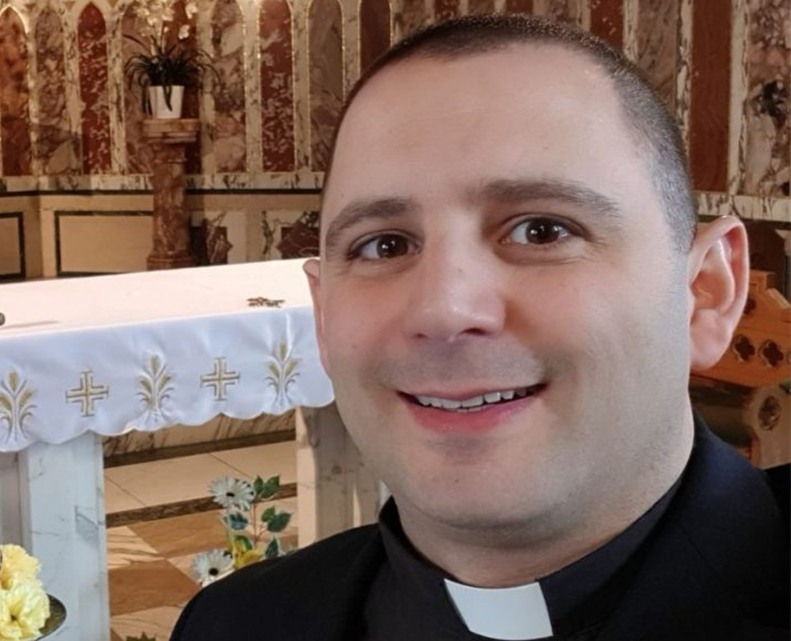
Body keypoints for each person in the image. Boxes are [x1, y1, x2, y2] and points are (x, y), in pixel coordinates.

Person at [172, 13, 789, 641]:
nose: (444, 310)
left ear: (705, 293)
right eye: (384, 245)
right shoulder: (234, 624)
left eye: (542, 231)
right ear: (324, 315)